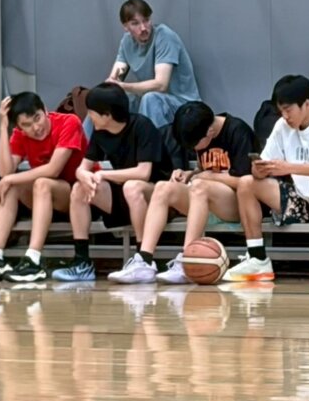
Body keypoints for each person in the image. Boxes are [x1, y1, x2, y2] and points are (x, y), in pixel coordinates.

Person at [223, 75, 309, 284]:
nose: (285, 116)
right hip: (303, 199)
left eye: (288, 110)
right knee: (246, 183)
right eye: (281, 111)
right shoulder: (282, 126)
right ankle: (257, 257)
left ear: (306, 104)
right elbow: (264, 165)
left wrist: (288, 167)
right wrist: (260, 169)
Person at [108, 101, 257, 284]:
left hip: (237, 205)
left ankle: (187, 260)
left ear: (210, 132)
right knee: (163, 188)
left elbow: (245, 181)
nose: (193, 149)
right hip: (204, 198)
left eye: (194, 145)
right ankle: (144, 261)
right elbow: (205, 169)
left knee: (201, 186)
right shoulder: (200, 130)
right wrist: (189, 174)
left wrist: (206, 176)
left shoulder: (238, 131)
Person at [51, 83, 172, 282]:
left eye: (92, 112)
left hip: (156, 197)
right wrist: (84, 176)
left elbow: (143, 173)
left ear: (107, 115)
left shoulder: (142, 126)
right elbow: (82, 168)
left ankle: (144, 260)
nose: (89, 116)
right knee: (79, 189)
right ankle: (82, 262)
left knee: (132, 186)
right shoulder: (100, 132)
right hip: (124, 196)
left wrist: (104, 175)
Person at [0, 92, 87, 283]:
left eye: (37, 118)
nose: (36, 128)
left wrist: (9, 179)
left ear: (44, 109)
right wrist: (3, 126)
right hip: (42, 199)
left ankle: (33, 260)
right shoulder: (20, 134)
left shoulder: (69, 122)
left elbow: (53, 169)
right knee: (11, 186)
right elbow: (5, 171)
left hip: (76, 196)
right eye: (26, 125)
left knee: (40, 182)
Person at [105, 0, 201, 128]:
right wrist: (111, 84)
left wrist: (123, 86)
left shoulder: (164, 36)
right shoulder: (126, 42)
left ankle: (152, 141)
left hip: (184, 106)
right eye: (135, 23)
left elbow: (161, 85)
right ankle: (85, 141)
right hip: (152, 102)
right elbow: (117, 74)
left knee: (151, 99)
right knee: (106, 101)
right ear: (125, 27)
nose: (143, 28)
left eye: (146, 20)